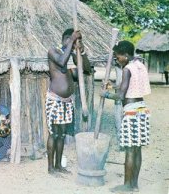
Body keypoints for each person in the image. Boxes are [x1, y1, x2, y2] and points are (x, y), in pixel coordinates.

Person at [100, 40, 151, 192]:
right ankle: (134, 184)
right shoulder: (140, 65)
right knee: (137, 149)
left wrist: (106, 94)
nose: (117, 59)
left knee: (129, 150)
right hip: (142, 110)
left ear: (126, 55)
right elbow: (130, 87)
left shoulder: (127, 69)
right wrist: (113, 85)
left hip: (131, 112)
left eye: (118, 57)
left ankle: (127, 185)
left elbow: (121, 95)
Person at [46, 29, 91, 176]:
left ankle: (58, 165)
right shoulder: (53, 51)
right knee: (54, 134)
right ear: (67, 38)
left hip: (67, 102)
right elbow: (61, 62)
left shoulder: (72, 56)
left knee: (62, 135)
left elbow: (86, 70)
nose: (75, 43)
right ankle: (50, 168)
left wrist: (82, 52)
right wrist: (72, 41)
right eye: (73, 40)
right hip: (55, 100)